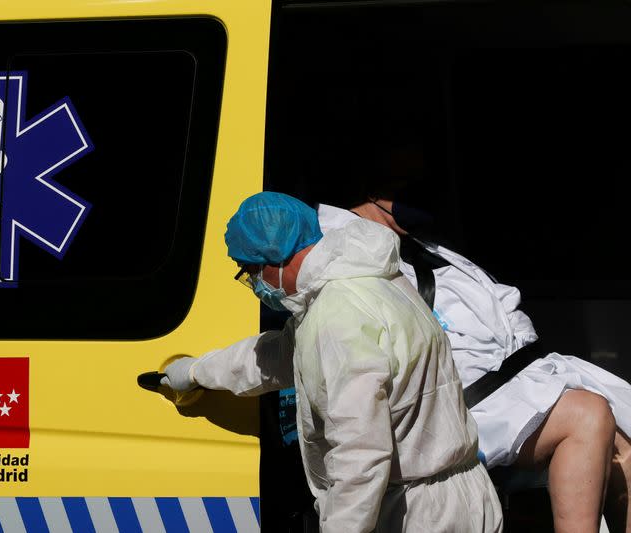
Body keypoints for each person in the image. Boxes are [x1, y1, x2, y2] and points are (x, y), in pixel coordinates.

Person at [163, 191, 502, 532]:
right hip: (465, 496)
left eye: (250, 271)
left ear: (275, 258)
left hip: (417, 516)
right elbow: (279, 354)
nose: (254, 285)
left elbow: (359, 455)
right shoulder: (372, 279)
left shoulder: (336, 319)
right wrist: (195, 371)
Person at [318, 197, 631, 533]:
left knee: (624, 444)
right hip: (453, 404)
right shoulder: (346, 257)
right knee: (589, 415)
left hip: (507, 380)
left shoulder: (421, 243)